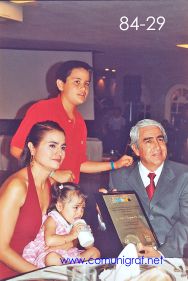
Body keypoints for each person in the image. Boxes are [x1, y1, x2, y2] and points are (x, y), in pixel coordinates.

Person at [10, 60, 133, 184]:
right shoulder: (42, 109)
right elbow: (16, 149)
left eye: (86, 84)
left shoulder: (79, 122)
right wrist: (53, 173)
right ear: (60, 84)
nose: (83, 88)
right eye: (77, 82)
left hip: (66, 196)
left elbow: (79, 164)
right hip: (40, 191)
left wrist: (114, 165)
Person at [109, 119, 188, 258]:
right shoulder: (119, 177)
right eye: (148, 141)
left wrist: (161, 254)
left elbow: (186, 224)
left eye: (160, 139)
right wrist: (104, 212)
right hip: (131, 256)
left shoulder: (184, 176)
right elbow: (113, 227)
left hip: (170, 259)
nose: (157, 146)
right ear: (136, 149)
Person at [0, 120, 68, 279]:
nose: (59, 152)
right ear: (32, 148)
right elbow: (1, 250)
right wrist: (42, 276)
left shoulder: (52, 185)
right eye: (52, 145)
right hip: (9, 272)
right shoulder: (17, 186)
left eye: (63, 147)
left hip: (36, 266)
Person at [22, 182, 100, 267]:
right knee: (52, 258)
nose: (80, 212)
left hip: (69, 257)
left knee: (94, 251)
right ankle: (71, 270)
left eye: (82, 208)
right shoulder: (52, 219)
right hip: (49, 254)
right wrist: (71, 235)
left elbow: (87, 246)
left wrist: (87, 236)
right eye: (76, 207)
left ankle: (74, 270)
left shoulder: (74, 222)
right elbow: (50, 241)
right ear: (59, 206)